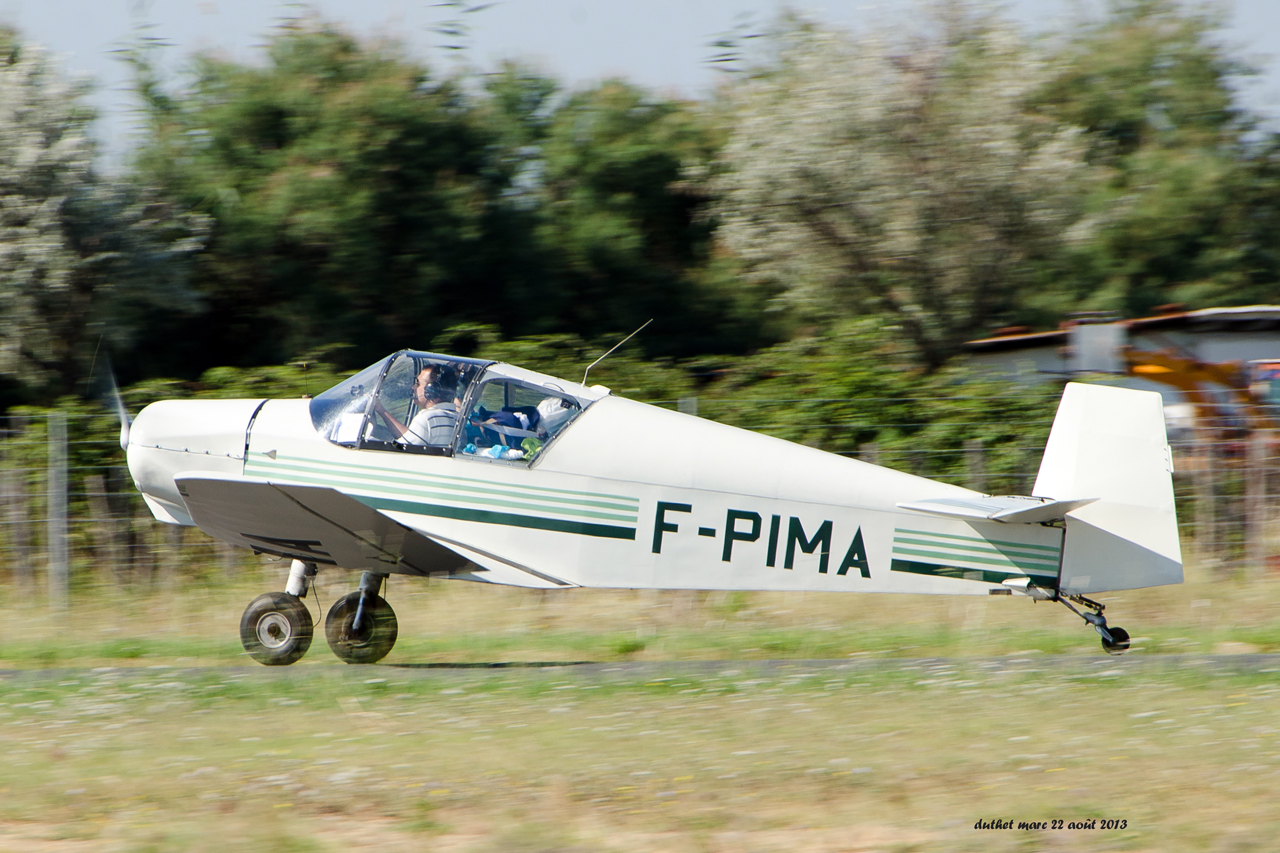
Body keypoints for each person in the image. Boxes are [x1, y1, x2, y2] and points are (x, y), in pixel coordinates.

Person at [373, 367, 458, 446]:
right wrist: (381, 410)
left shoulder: (426, 418)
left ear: (432, 390)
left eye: (418, 383)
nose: (413, 387)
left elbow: (403, 449)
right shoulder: (456, 417)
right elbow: (410, 437)